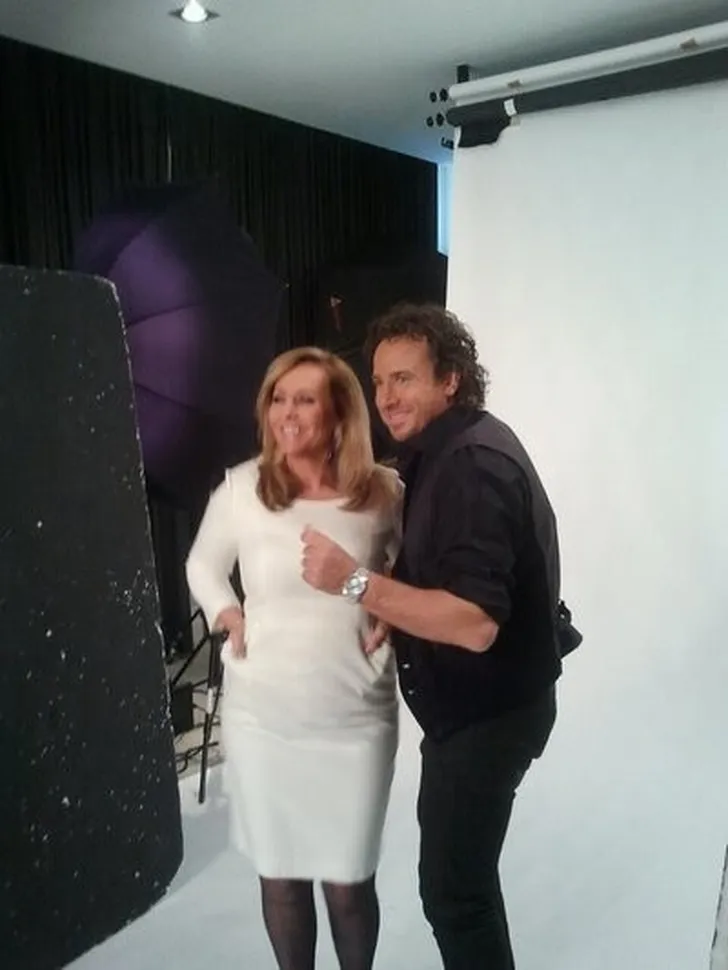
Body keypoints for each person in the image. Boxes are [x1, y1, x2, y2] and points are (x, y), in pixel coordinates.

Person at [301, 303, 562, 970]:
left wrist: (354, 582)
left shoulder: (470, 465)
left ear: (450, 379)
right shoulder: (448, 449)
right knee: (466, 886)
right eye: (379, 380)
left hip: (486, 720)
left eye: (405, 379)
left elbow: (475, 623)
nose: (386, 397)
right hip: (485, 710)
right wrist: (397, 601)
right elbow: (449, 568)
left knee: (454, 897)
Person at [185, 346, 402, 970]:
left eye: (305, 399)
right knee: (280, 879)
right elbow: (202, 564)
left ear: (339, 413)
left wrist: (390, 601)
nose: (287, 413)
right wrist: (228, 613)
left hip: (355, 715)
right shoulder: (242, 488)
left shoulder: (383, 492)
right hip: (264, 717)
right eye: (278, 399)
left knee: (349, 884)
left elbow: (410, 563)